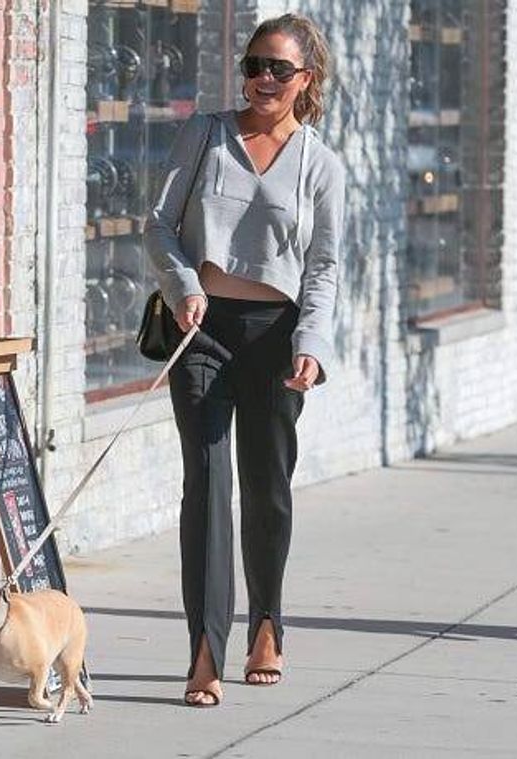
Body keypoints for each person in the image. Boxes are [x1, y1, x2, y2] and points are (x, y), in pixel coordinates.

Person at [144, 13, 345, 707]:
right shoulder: (204, 133)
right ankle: (205, 648)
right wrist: (185, 288)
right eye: (254, 64)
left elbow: (324, 267)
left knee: (266, 487)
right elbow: (160, 225)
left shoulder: (321, 163)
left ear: (305, 80)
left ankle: (267, 620)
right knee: (205, 480)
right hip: (200, 325)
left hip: (276, 336)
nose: (262, 78)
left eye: (278, 69)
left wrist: (311, 346)